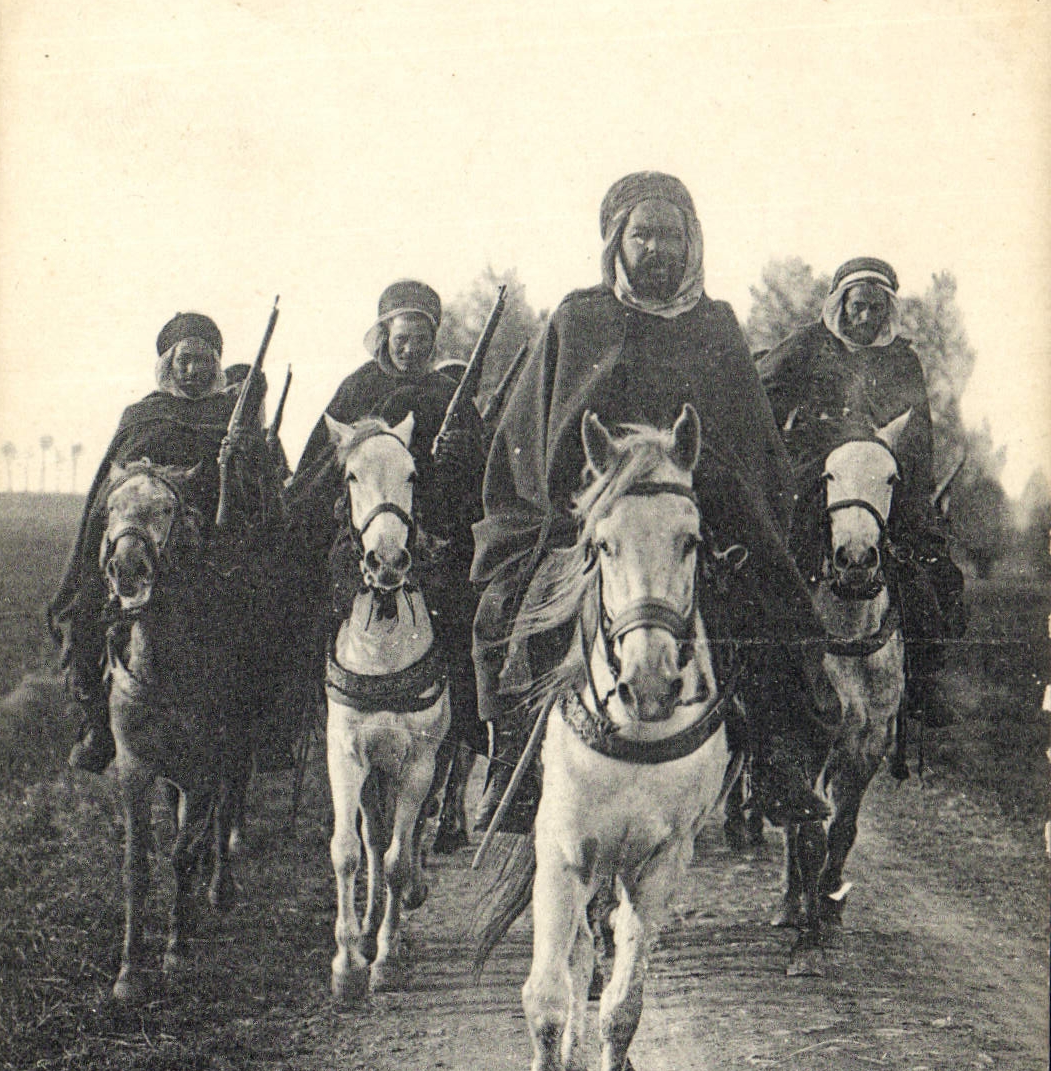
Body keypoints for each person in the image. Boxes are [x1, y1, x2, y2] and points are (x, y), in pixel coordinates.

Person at [470, 170, 840, 831]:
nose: (657, 248)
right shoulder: (577, 319)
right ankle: (514, 773)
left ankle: (777, 766)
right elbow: (531, 432)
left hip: (701, 517)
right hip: (588, 516)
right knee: (517, 609)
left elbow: (750, 442)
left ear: (691, 243)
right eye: (643, 234)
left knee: (778, 612)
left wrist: (728, 507)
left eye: (671, 234)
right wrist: (567, 506)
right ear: (618, 240)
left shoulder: (717, 326)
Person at [49, 312, 280, 772]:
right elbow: (114, 486)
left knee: (264, 615)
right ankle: (98, 723)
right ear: (169, 365)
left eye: (202, 362)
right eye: (184, 361)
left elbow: (259, 495)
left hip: (213, 548)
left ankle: (260, 729)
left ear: (216, 366)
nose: (192, 371)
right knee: (91, 608)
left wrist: (239, 456)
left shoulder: (228, 418)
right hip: (143, 543)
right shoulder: (143, 414)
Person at [757, 257, 966, 726]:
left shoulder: (902, 360)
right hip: (815, 471)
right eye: (857, 306)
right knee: (780, 560)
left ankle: (923, 682)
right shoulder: (808, 346)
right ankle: (766, 676)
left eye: (875, 308)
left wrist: (917, 502)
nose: (865, 318)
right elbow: (758, 395)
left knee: (932, 566)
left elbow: (920, 438)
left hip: (881, 475)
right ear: (840, 304)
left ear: (888, 310)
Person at [294, 280, 485, 763]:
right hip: (361, 538)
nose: (412, 349)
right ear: (384, 337)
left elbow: (483, 473)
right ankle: (308, 718)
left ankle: (468, 736)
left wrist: (456, 457)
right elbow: (323, 466)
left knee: (467, 622)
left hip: (437, 534)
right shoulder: (358, 388)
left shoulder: (450, 393)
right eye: (402, 339)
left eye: (422, 339)